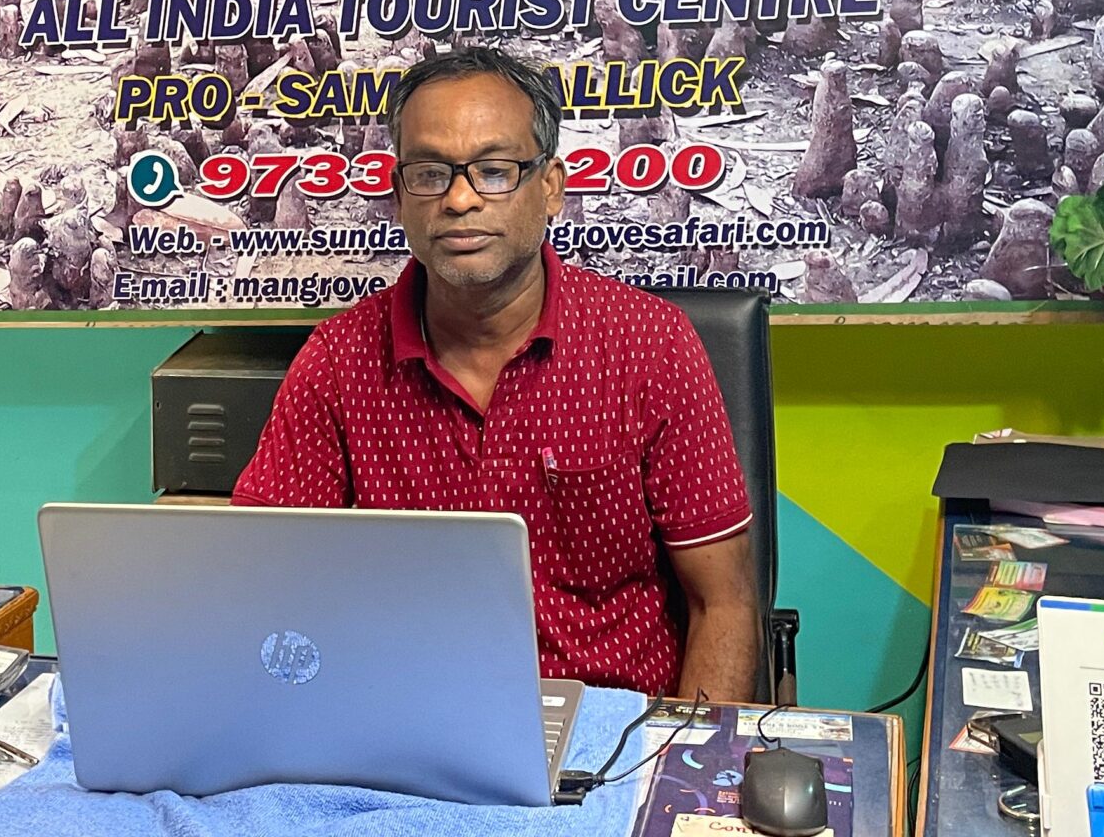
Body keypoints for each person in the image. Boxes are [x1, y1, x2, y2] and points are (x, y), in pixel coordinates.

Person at [232, 45, 759, 701]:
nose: (459, 199)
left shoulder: (650, 345)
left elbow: (722, 604)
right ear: (399, 196)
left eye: (494, 171)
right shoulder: (338, 362)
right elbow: (267, 588)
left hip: (608, 729)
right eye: (430, 173)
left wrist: (685, 757)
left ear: (551, 188)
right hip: (405, 719)